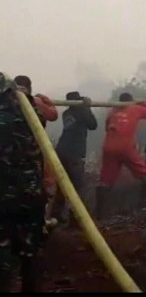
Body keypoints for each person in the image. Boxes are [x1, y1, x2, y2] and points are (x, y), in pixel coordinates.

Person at [0, 72, 47, 292]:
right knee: (30, 251)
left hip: (5, 197)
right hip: (31, 194)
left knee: (4, 250)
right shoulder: (30, 110)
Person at [96, 92, 146, 219]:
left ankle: (100, 213)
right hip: (125, 147)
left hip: (109, 147)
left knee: (105, 181)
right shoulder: (135, 108)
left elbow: (107, 127)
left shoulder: (112, 112)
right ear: (131, 101)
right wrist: (144, 103)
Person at [13, 75, 59, 229]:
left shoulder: (6, 102)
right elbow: (53, 115)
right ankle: (41, 221)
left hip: (11, 152)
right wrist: (46, 99)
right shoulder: (35, 102)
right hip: (35, 150)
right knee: (45, 183)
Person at [52, 91, 98, 227]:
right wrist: (87, 107)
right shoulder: (82, 112)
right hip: (74, 153)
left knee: (62, 186)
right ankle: (76, 218)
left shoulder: (67, 113)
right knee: (79, 187)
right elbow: (93, 125)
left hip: (61, 151)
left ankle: (56, 216)